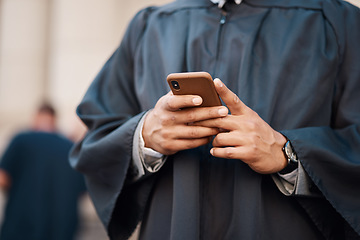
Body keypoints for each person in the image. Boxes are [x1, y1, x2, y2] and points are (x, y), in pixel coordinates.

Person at [70, 0, 360, 239]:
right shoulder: (150, 27)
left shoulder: (337, 23)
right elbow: (96, 140)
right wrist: (143, 137)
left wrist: (288, 153)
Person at [0, 103, 86, 240]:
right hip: (61, 231)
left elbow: (3, 178)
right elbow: (83, 189)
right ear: (54, 120)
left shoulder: (21, 140)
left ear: (36, 117)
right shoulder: (71, 148)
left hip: (21, 228)